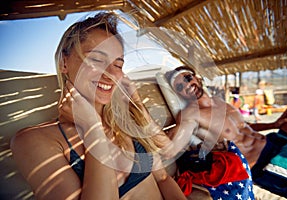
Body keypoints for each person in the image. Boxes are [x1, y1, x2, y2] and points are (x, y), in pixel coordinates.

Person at [10, 12, 188, 200]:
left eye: (118, 65)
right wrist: (92, 129)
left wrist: (135, 103)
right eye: (96, 59)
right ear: (64, 62)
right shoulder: (34, 140)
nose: (110, 74)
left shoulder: (125, 122)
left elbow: (162, 179)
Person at [165, 66, 287, 199]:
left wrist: (273, 124)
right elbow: (171, 149)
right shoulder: (191, 114)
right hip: (264, 163)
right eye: (180, 87)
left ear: (197, 78)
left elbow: (245, 126)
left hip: (276, 142)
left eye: (188, 78)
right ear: (179, 94)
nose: (186, 85)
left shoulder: (219, 101)